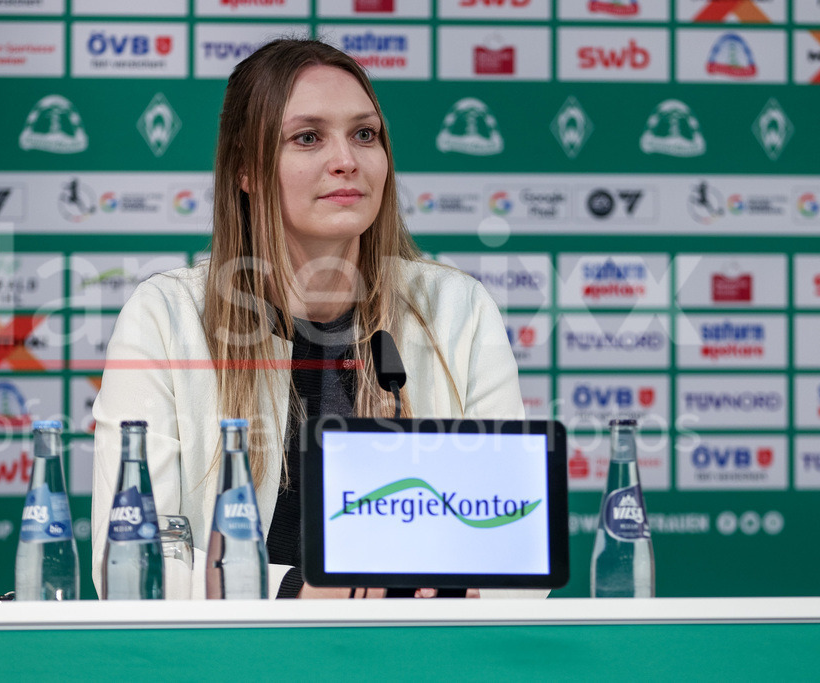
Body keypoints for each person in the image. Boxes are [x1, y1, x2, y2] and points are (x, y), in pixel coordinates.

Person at [91, 38, 534, 599]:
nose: (346, 159)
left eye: (364, 134)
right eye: (308, 137)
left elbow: (518, 544)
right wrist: (301, 593)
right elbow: (126, 562)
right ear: (247, 170)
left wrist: (458, 589)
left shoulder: (458, 308)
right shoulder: (166, 315)